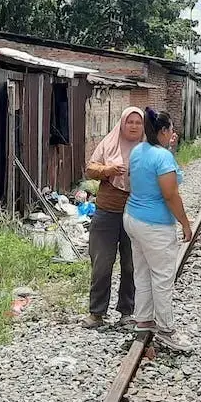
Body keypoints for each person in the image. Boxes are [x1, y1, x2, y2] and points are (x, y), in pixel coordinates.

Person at [123, 108, 194, 352]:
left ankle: (143, 319)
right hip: (155, 225)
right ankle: (166, 329)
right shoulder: (161, 158)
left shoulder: (138, 151)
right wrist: (185, 223)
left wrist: (168, 151)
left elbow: (134, 180)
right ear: (163, 131)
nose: (173, 133)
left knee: (142, 272)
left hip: (133, 218)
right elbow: (170, 194)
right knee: (163, 277)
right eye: (171, 129)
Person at [81, 107, 145, 329]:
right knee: (101, 263)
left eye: (138, 122)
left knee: (131, 265)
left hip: (136, 213)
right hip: (106, 212)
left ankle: (126, 312)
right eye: (130, 122)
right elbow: (90, 169)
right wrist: (108, 170)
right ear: (122, 124)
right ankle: (96, 313)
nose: (134, 126)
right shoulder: (109, 142)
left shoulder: (148, 148)